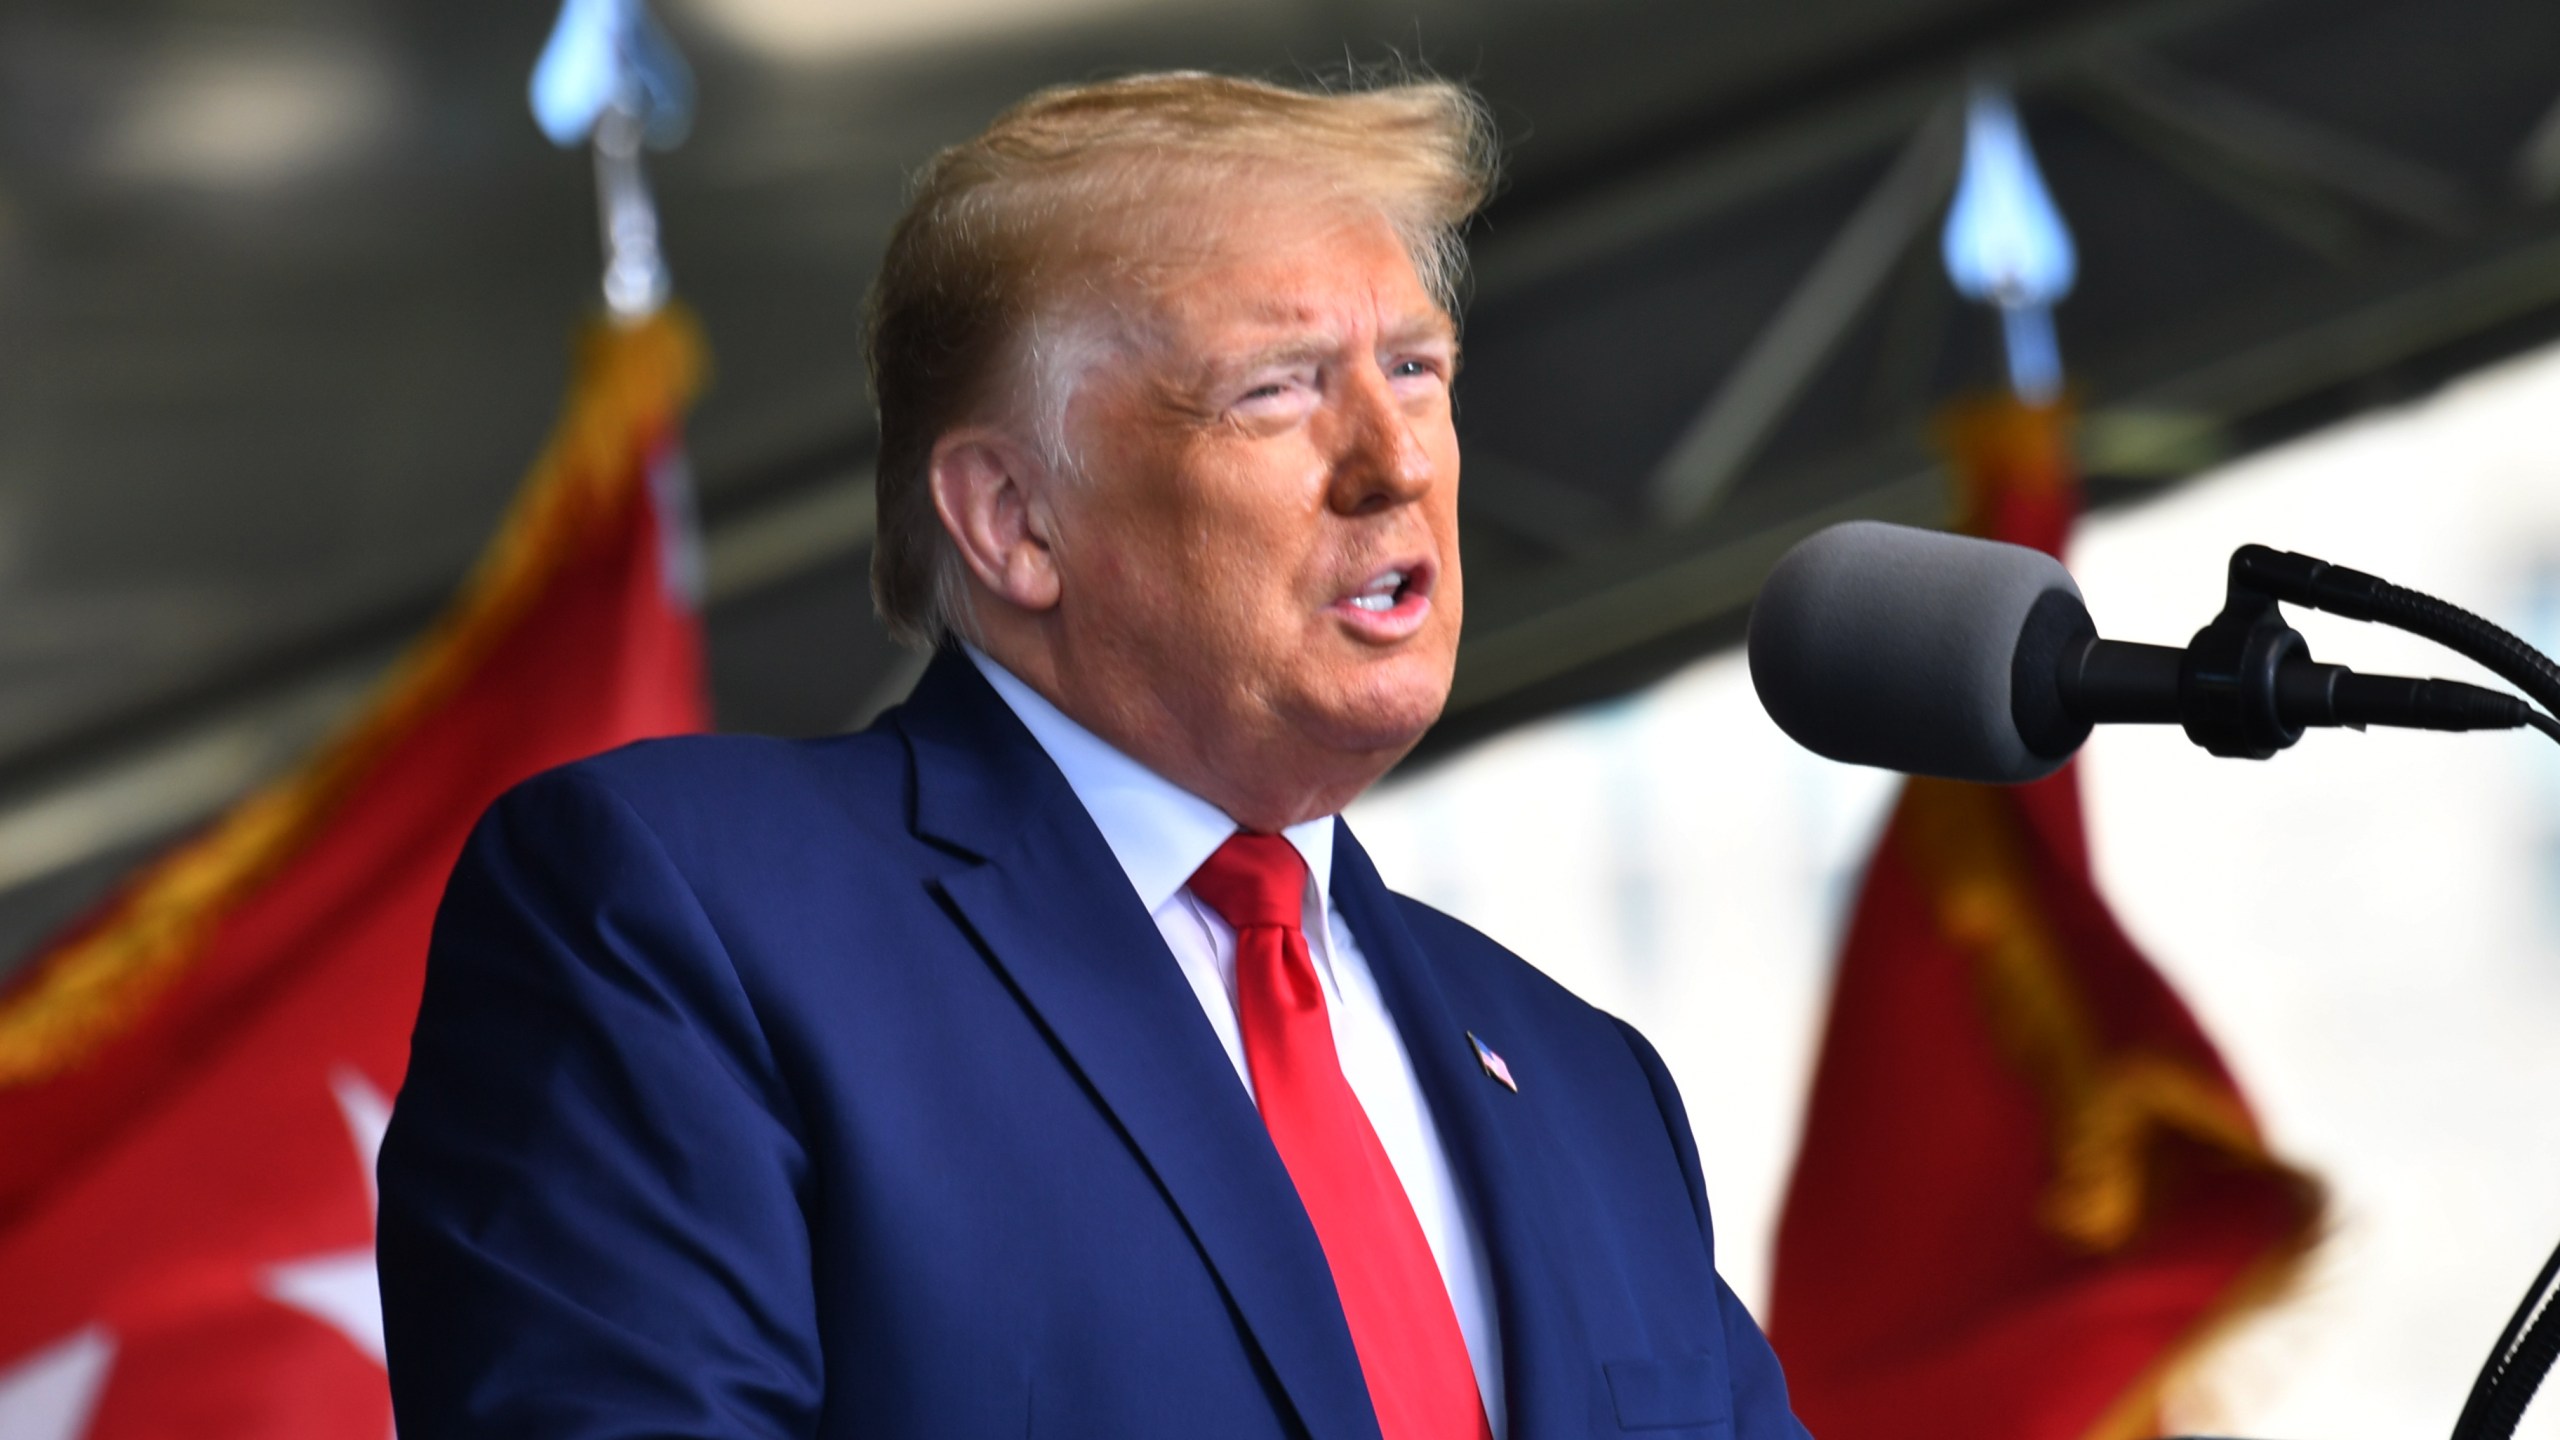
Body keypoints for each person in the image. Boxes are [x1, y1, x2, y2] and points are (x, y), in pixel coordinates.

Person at [378, 71, 1809, 1440]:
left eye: (1417, 367)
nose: (1401, 461)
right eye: (1276, 390)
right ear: (1013, 520)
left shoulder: (1588, 1086)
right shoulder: (683, 920)